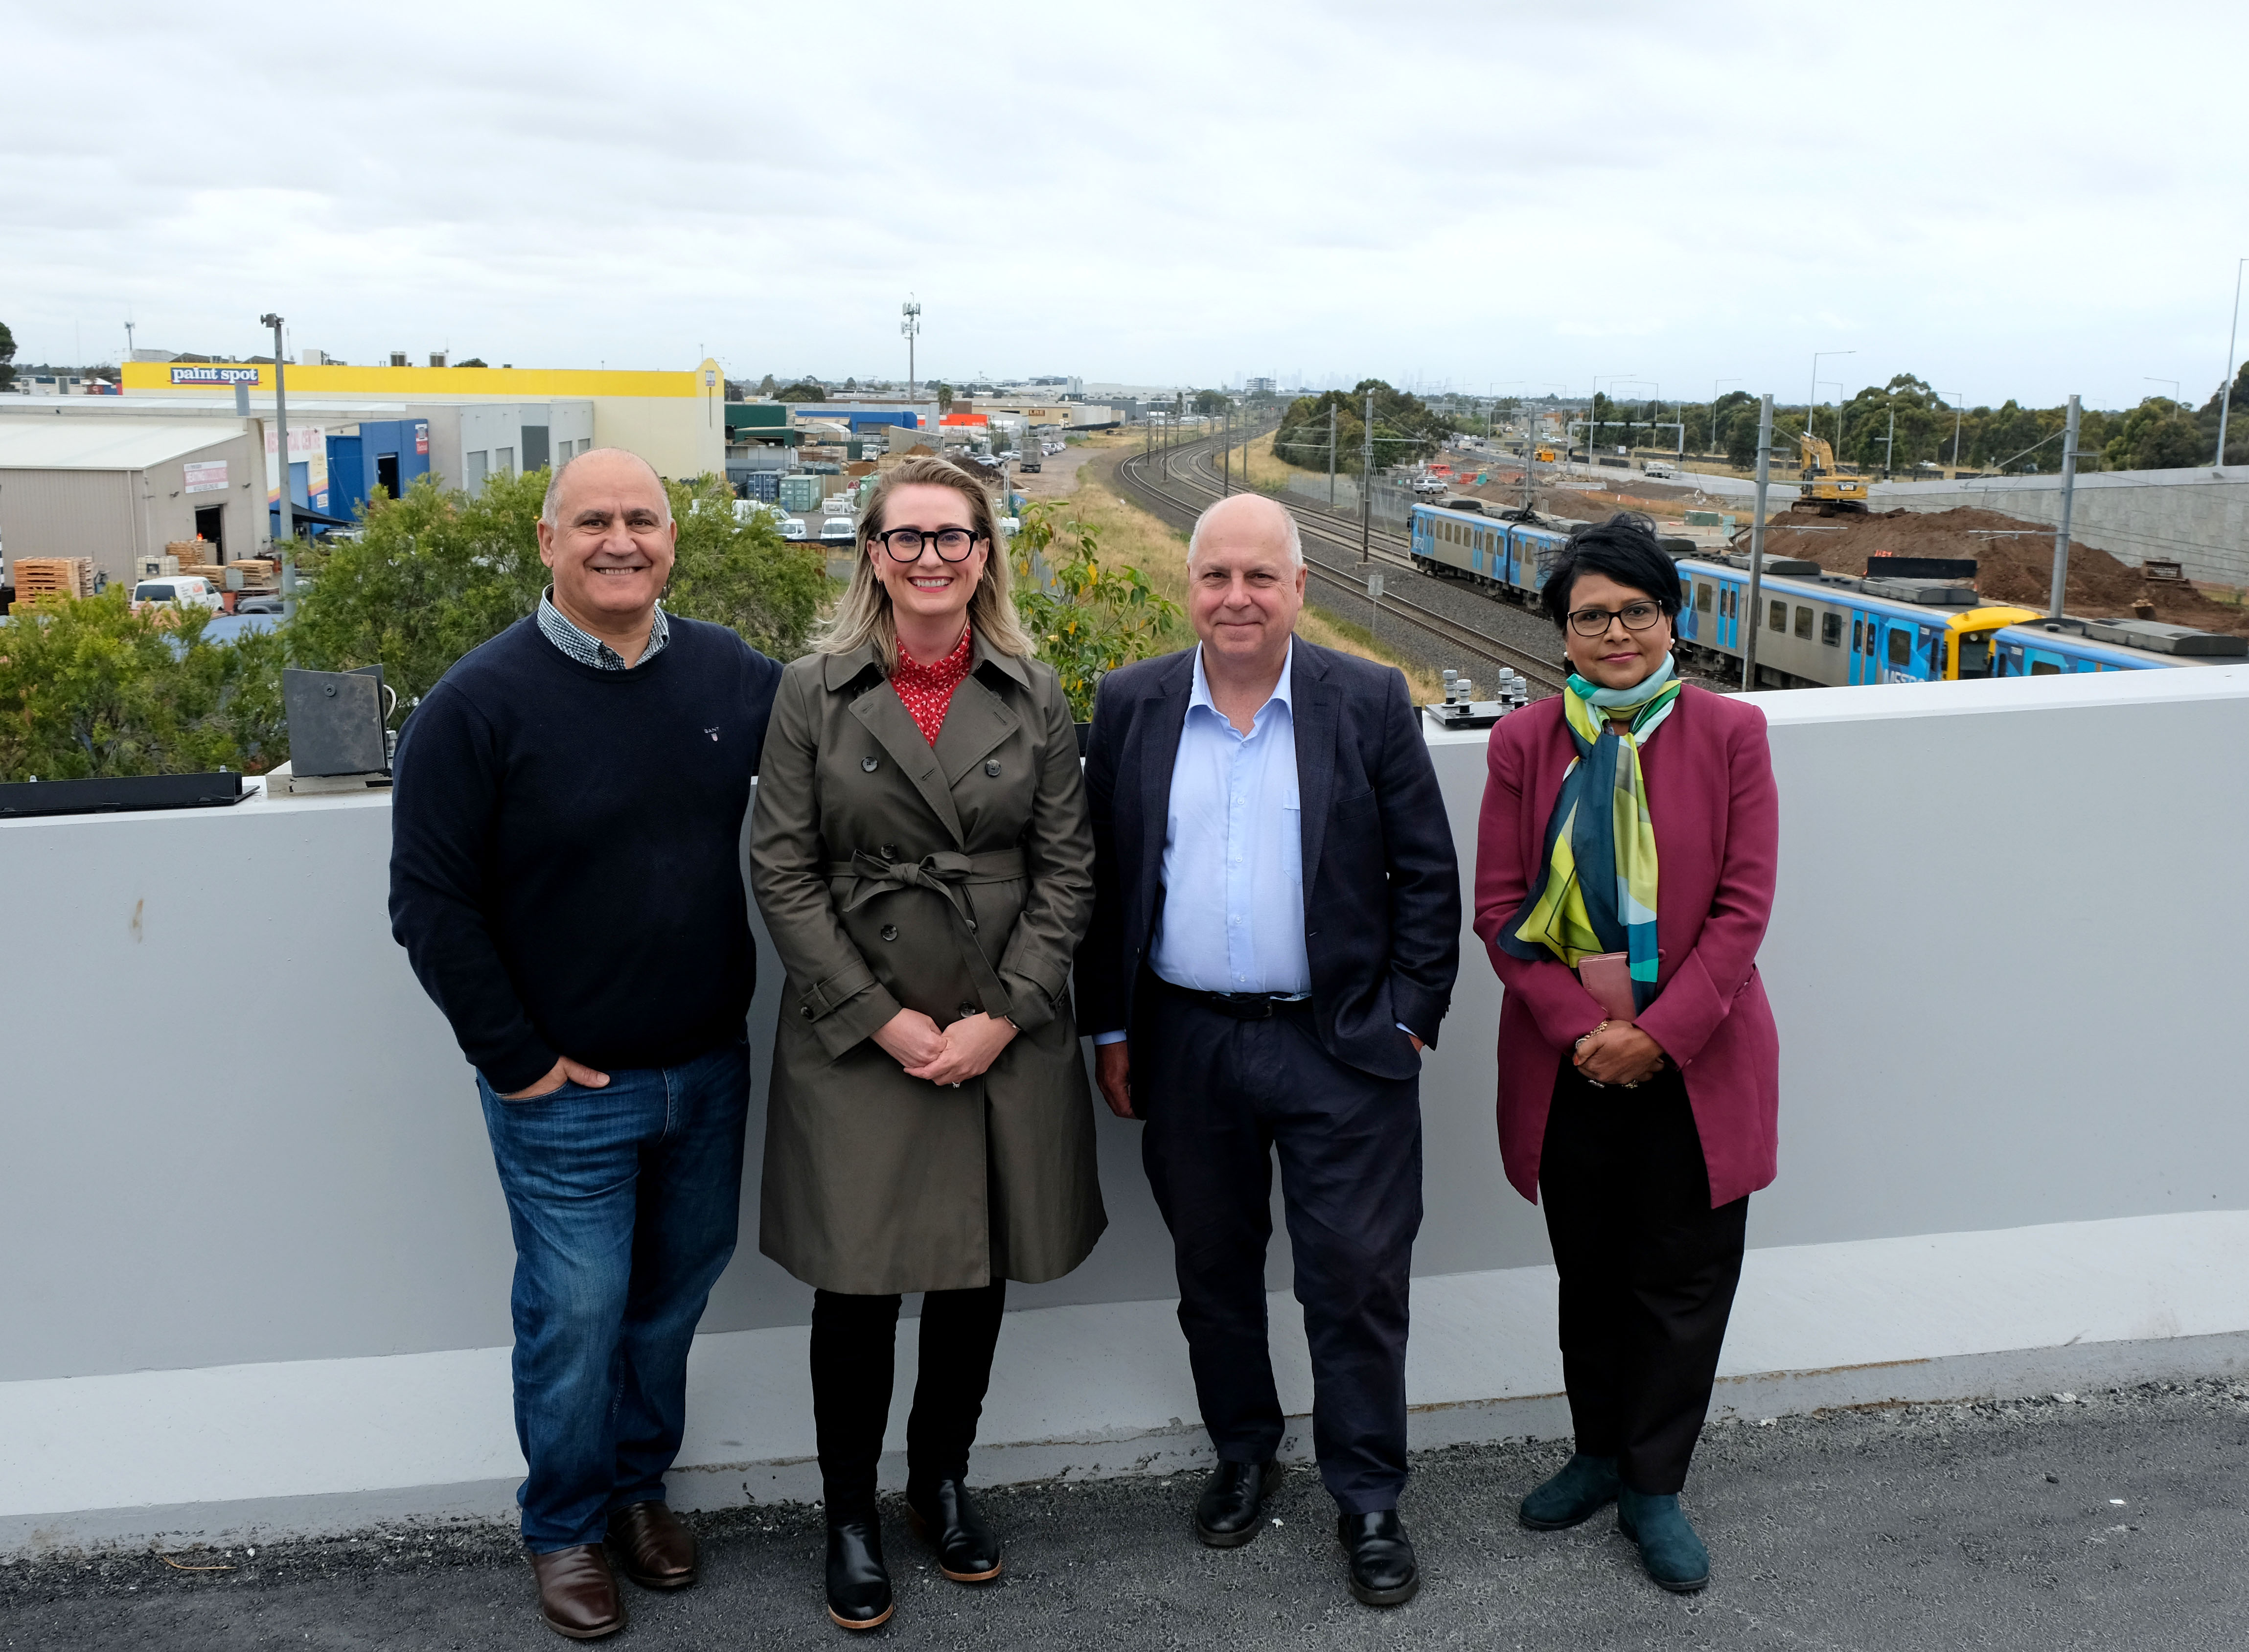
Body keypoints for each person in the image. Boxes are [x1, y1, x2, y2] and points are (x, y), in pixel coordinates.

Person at [389, 448, 784, 1640]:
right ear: (549, 542)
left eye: (644, 519)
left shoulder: (728, 671)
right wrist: (516, 1057)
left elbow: (858, 733)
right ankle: (562, 1523)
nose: (623, 539)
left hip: (709, 1068)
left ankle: (635, 1489)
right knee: (575, 1311)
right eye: (595, 520)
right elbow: (430, 902)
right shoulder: (477, 703)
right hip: (565, 1089)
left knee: (667, 1303)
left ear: (674, 538)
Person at [1076, 492, 1460, 1609]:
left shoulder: (1370, 698)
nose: (1235, 597)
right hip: (1186, 1040)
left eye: (1258, 577)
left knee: (1354, 1282)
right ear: (1188, 587)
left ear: (1300, 588)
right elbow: (1104, 888)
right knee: (1214, 1271)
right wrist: (1111, 1026)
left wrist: (1407, 1016)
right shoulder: (1132, 703)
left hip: (1340, 1044)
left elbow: (1425, 876)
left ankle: (1370, 1498)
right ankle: (1244, 1453)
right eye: (1215, 577)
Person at [749, 456, 1105, 1632]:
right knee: (857, 1287)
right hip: (862, 1033)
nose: (933, 560)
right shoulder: (815, 688)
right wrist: (883, 1016)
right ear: (873, 553)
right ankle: (848, 1514)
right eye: (908, 539)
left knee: (974, 1272)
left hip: (1000, 1024)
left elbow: (1068, 870)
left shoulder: (1035, 690)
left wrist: (1002, 1012)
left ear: (985, 552)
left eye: (954, 538)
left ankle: (938, 1482)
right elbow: (782, 868)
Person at [1471, 513, 1779, 1594]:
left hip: (1697, 1061)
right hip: (1571, 1067)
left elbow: (1743, 909)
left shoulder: (1732, 733)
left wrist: (1660, 1035)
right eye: (1590, 615)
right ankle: (1598, 1453)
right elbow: (1502, 910)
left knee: (1684, 1279)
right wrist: (1582, 1032)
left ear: (1670, 620)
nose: (1614, 632)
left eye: (1634, 611)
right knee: (1592, 1274)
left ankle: (1656, 1482)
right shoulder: (1522, 746)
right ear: (1559, 633)